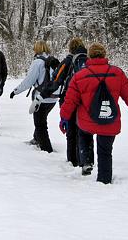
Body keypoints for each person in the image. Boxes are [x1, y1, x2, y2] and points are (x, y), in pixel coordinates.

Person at [59, 42, 128, 184]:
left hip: (87, 121)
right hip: (109, 120)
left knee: (83, 134)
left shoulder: (80, 76)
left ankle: (86, 161)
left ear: (89, 56)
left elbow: (70, 100)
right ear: (104, 55)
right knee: (105, 152)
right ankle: (104, 180)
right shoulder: (117, 73)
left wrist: (64, 118)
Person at [9, 40, 59, 152]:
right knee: (42, 119)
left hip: (41, 98)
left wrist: (15, 91)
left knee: (40, 124)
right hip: (53, 97)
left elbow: (29, 81)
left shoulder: (37, 63)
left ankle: (47, 149)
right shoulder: (54, 61)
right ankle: (36, 139)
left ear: (36, 49)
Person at [49, 37, 88, 166]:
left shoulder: (67, 61)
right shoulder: (89, 61)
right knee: (83, 131)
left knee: (71, 132)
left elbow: (56, 78)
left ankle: (72, 161)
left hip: (68, 100)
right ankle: (83, 159)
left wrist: (45, 92)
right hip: (85, 102)